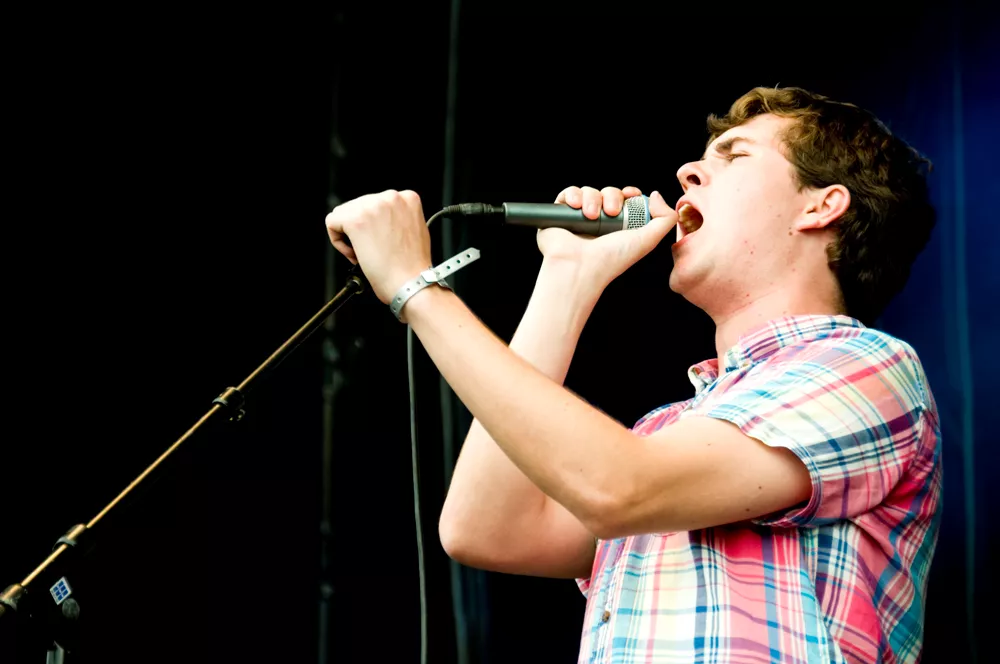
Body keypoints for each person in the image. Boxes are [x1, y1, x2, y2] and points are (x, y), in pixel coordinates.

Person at [325, 86, 941, 663]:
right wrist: (567, 278)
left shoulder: (867, 365)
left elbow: (620, 487)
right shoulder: (668, 430)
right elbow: (486, 528)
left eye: (733, 156)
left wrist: (420, 291)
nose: (687, 173)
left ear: (821, 205)